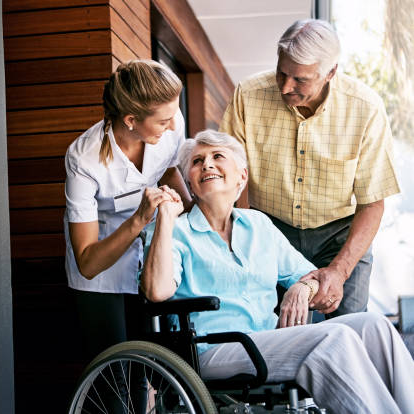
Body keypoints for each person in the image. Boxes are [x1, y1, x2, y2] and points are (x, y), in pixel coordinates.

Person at [140, 129, 414, 414]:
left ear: (241, 177)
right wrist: (165, 221)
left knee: (374, 326)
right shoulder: (176, 231)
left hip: (266, 340)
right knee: (332, 338)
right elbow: (157, 291)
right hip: (213, 349)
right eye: (197, 161)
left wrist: (302, 287)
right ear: (190, 184)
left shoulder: (258, 225)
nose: (206, 164)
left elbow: (313, 278)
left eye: (217, 156)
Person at [220, 19, 400, 319]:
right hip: (271, 230)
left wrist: (340, 271)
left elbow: (372, 202)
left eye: (300, 79)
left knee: (350, 331)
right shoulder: (248, 95)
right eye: (281, 73)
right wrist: (241, 240)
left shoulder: (365, 108)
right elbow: (230, 179)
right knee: (275, 330)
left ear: (330, 72)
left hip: (340, 235)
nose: (285, 86)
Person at [64, 59, 192, 412]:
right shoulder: (84, 159)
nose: (172, 126)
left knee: (144, 368)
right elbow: (88, 262)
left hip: (147, 253)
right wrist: (138, 218)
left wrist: (187, 206)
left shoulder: (170, 124)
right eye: (163, 121)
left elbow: (167, 168)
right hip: (100, 268)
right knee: (113, 380)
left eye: (173, 117)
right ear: (131, 120)